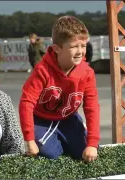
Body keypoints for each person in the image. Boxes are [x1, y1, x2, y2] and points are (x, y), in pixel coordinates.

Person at [19, 15, 100, 162]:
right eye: (74, 46)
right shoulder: (42, 70)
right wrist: (29, 139)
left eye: (83, 45)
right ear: (57, 48)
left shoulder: (87, 72)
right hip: (42, 119)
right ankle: (57, 139)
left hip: (68, 117)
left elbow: (92, 107)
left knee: (86, 151)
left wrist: (92, 143)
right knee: (49, 154)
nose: (80, 51)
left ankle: (73, 131)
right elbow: (26, 102)